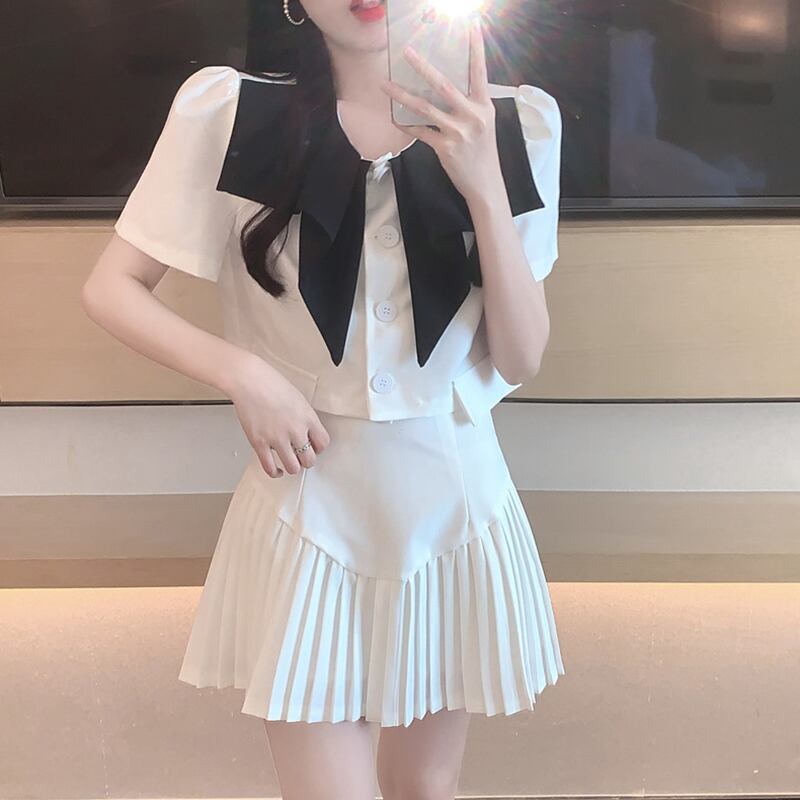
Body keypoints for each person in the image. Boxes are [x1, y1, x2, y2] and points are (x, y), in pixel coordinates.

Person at [81, 1, 565, 797]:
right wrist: (243, 374)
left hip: (453, 509)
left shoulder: (515, 123)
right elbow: (112, 288)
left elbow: (522, 354)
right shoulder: (230, 112)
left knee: (425, 790)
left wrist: (483, 184)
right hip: (306, 505)